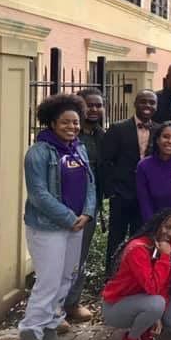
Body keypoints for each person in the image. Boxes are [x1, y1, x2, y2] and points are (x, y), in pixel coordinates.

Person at [18, 94, 96, 340]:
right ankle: (30, 335)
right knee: (48, 282)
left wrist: (87, 211)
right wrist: (67, 217)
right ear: (52, 122)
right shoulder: (38, 152)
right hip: (48, 228)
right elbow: (38, 195)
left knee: (66, 278)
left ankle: (51, 328)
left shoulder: (79, 148)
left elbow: (90, 182)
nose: (72, 127)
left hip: (76, 225)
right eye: (66, 122)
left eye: (76, 122)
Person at [102, 208, 171, 340]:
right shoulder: (138, 248)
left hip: (145, 300)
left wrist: (156, 315)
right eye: (167, 226)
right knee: (156, 304)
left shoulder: (169, 246)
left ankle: (144, 326)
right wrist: (164, 257)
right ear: (157, 223)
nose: (170, 233)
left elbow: (164, 284)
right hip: (116, 306)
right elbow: (152, 287)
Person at [102, 90, 158, 273]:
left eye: (152, 103)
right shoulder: (118, 129)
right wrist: (111, 190)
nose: (148, 106)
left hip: (147, 197)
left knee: (141, 240)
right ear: (135, 103)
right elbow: (106, 161)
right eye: (144, 102)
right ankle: (110, 278)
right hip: (122, 194)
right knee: (116, 239)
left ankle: (134, 277)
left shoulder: (159, 131)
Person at [63, 88, 105, 325]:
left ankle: (72, 303)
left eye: (98, 105)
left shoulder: (101, 135)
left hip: (90, 207)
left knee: (80, 257)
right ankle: (56, 308)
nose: (94, 109)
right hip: (67, 206)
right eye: (89, 105)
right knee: (62, 258)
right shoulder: (70, 138)